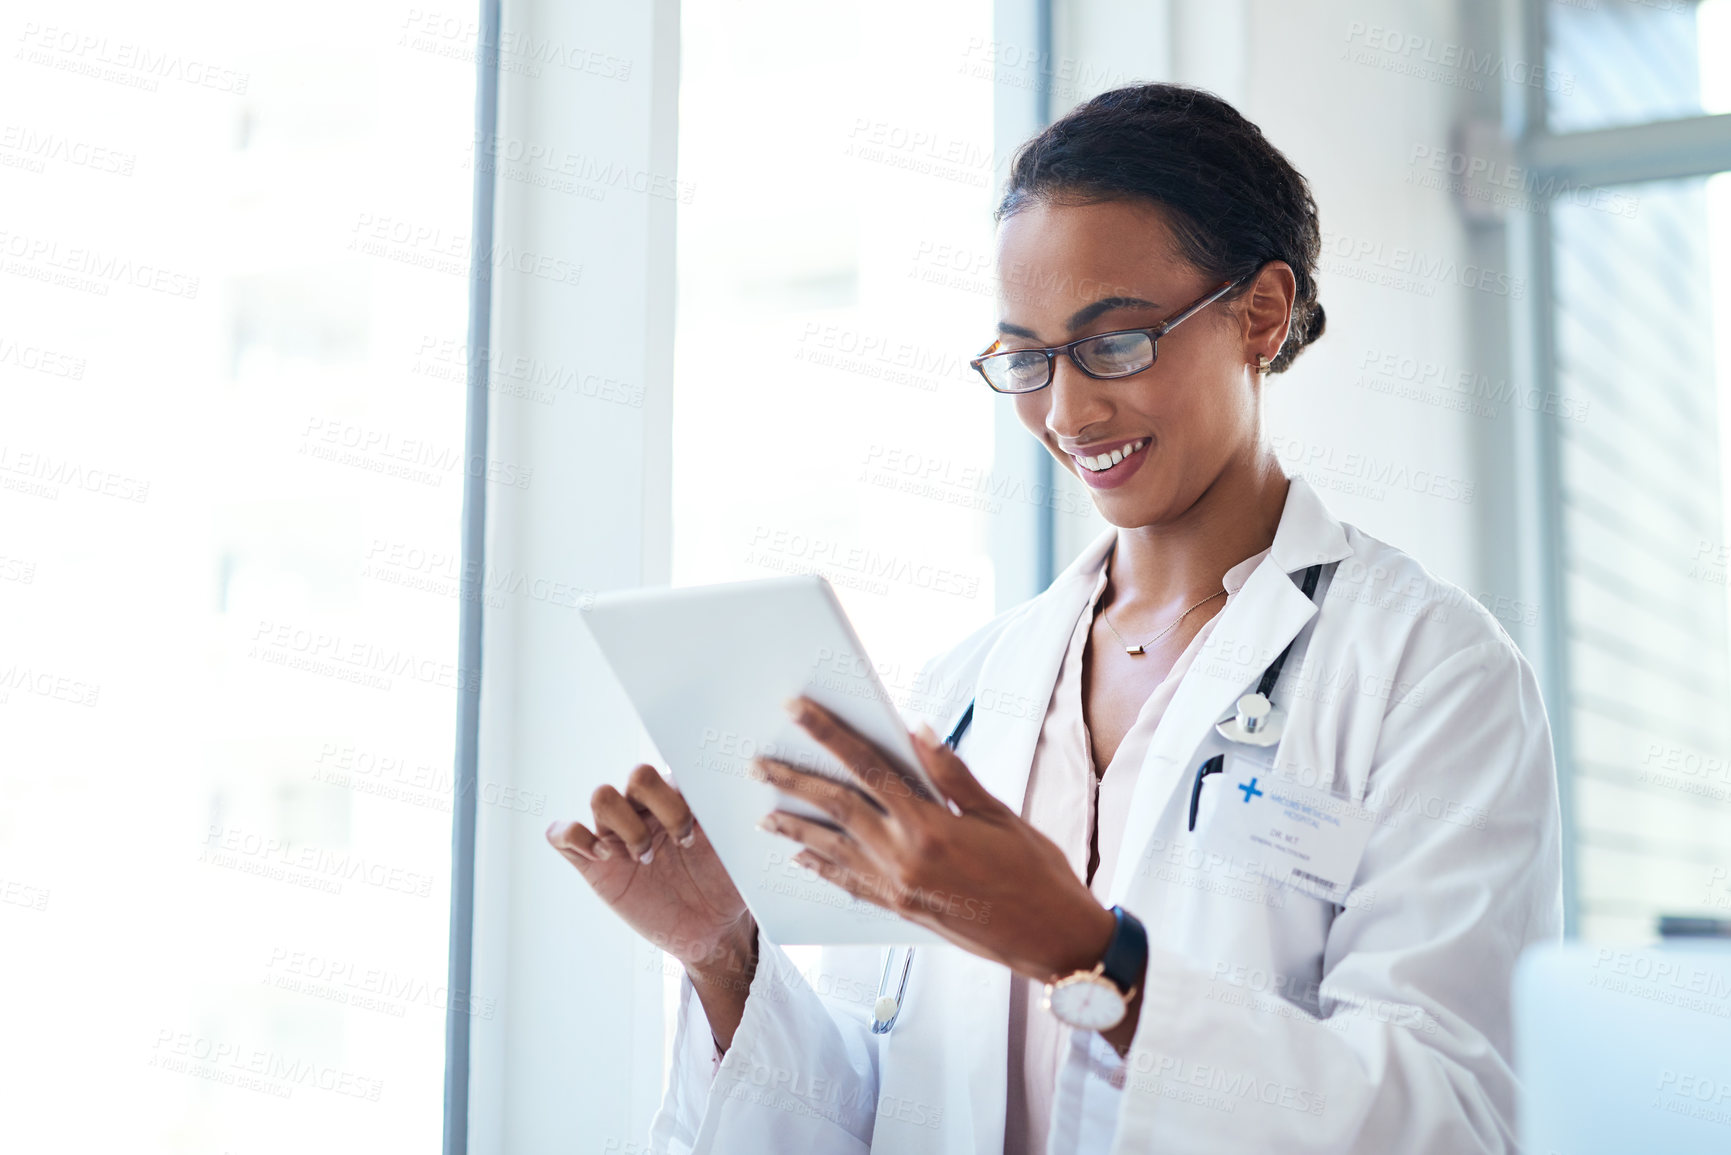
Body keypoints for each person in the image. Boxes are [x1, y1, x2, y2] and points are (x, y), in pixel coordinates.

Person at [546, 82, 1562, 1154]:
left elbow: (1451, 1119)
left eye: (1115, 343)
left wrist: (1095, 958)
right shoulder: (967, 688)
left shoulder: (1428, 673)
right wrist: (725, 956)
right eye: (1026, 360)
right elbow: (886, 1109)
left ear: (1260, 312)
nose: (1069, 413)